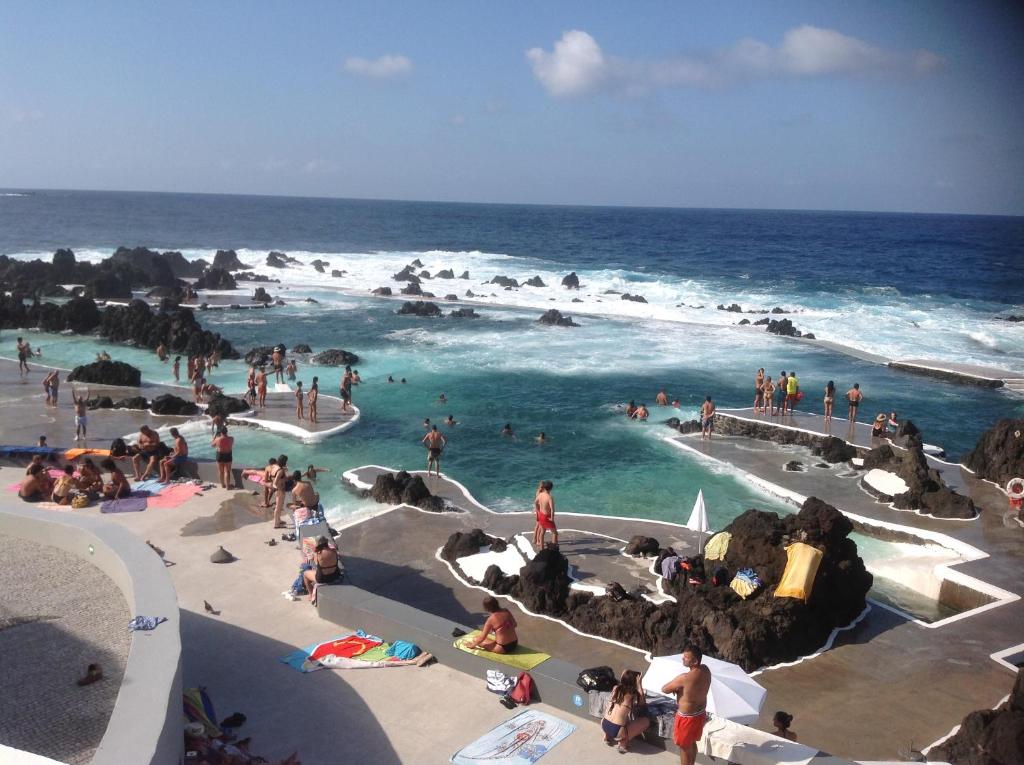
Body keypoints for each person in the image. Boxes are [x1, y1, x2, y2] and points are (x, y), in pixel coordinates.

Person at [661, 643, 711, 765]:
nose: (683, 658)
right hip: (700, 714)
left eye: (686, 657)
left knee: (684, 747)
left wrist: (678, 689)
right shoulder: (705, 669)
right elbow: (694, 687)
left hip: (686, 718)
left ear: (694, 661)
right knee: (692, 742)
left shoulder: (684, 678)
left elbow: (664, 689)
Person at [601, 670, 650, 753]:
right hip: (617, 730)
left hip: (604, 724)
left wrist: (626, 675)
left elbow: (624, 674)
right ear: (635, 682)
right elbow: (643, 706)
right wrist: (639, 685)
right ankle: (623, 742)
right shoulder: (633, 695)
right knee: (645, 722)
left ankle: (607, 736)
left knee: (623, 716)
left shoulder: (616, 688)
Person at [302, 536, 342, 601]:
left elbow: (314, 561)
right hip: (335, 576)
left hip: (322, 579)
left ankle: (311, 594)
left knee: (305, 574)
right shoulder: (334, 551)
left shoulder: (317, 554)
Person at [533, 480, 557, 547]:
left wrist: (537, 511)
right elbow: (552, 509)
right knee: (554, 533)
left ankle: (541, 548)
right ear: (551, 488)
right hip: (547, 516)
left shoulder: (540, 494)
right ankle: (554, 549)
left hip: (541, 514)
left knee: (542, 532)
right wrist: (552, 518)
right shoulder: (549, 497)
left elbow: (535, 502)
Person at [272, 454, 289, 528]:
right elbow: (275, 482)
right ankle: (276, 524)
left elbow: (273, 477)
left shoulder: (275, 467)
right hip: (280, 490)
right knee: (278, 507)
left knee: (279, 506)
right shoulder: (281, 471)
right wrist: (279, 489)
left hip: (278, 490)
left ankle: (278, 520)